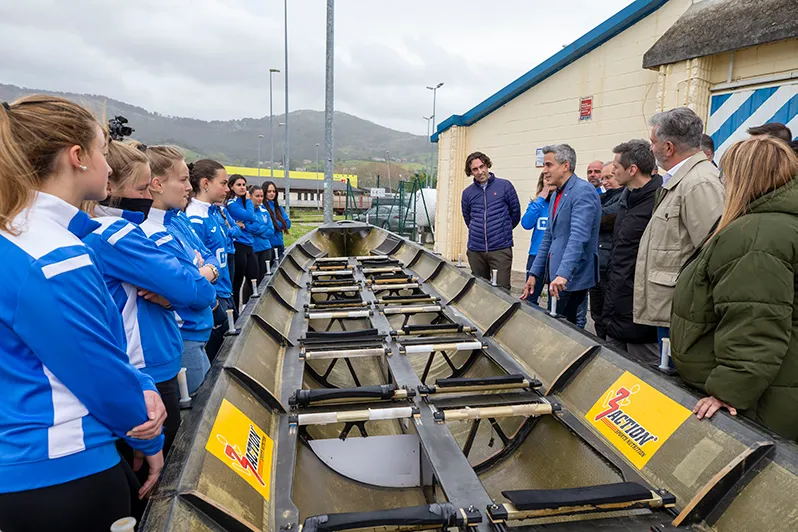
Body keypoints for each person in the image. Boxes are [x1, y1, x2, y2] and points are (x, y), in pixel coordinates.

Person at [0, 95, 165, 531]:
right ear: (77, 158)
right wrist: (148, 432)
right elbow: (98, 368)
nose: (110, 166)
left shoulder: (16, 237)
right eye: (102, 150)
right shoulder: (53, 255)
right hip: (64, 469)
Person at [83, 139, 213, 459]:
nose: (147, 197)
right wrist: (187, 287)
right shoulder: (117, 233)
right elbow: (192, 289)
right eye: (142, 189)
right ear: (110, 183)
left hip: (141, 363)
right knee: (165, 461)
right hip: (146, 366)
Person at [671, 137, 798, 442]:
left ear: (743, 177)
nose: (723, 183)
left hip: (764, 399)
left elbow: (755, 322)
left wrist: (728, 391)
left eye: (725, 175)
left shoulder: (756, 235)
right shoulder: (771, 224)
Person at [634, 107, 725, 348]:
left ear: (668, 147)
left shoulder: (699, 184)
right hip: (673, 308)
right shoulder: (682, 181)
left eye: (653, 142)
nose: (651, 148)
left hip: (683, 312)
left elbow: (715, 254)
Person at [139, 145, 218, 395]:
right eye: (183, 179)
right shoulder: (152, 231)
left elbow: (208, 258)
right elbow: (196, 290)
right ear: (157, 184)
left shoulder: (175, 219)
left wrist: (200, 273)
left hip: (196, 330)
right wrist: (198, 277)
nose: (189, 187)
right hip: (184, 335)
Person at [522, 144, 601, 324]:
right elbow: (549, 237)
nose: (544, 171)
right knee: (555, 324)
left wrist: (564, 274)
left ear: (565, 166)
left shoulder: (582, 191)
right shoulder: (558, 193)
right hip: (556, 275)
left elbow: (578, 237)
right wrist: (535, 273)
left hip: (571, 277)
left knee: (567, 329)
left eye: (549, 165)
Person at [601, 140, 660, 360]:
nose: (613, 170)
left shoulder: (658, 201)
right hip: (617, 310)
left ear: (632, 169)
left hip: (640, 319)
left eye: (616, 166)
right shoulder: (627, 198)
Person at [186, 159, 237, 360]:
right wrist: (212, 300)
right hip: (215, 297)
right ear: (205, 183)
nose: (227, 189)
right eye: (223, 183)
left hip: (225, 291)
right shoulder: (195, 218)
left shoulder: (214, 212)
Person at [460, 152, 521, 290]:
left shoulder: (505, 186)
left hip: (500, 248)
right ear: (471, 172)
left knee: (502, 291)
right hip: (476, 250)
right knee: (479, 290)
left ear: (487, 165)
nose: (480, 171)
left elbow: (515, 214)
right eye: (475, 169)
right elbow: (468, 218)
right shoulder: (467, 193)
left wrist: (501, 231)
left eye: (482, 166)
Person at [590, 162, 623, 338]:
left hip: (610, 265)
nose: (604, 182)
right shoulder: (603, 197)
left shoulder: (625, 197)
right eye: (603, 178)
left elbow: (600, 216)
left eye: (608, 177)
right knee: (597, 315)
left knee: (609, 317)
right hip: (597, 264)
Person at [226, 174, 260, 309]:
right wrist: (249, 202)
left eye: (244, 185)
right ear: (231, 187)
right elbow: (250, 216)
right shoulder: (232, 204)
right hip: (238, 244)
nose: (242, 187)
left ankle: (252, 308)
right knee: (237, 282)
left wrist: (244, 225)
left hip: (249, 244)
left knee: (254, 277)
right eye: (238, 185)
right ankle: (234, 313)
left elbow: (255, 223)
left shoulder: (244, 203)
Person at [520, 172, 553, 305]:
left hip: (555, 256)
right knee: (531, 297)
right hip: (536, 255)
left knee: (555, 299)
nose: (550, 182)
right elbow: (526, 223)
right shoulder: (537, 203)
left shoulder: (562, 203)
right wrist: (541, 197)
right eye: (546, 179)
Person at [249, 185, 276, 284]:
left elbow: (271, 230)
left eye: (261, 196)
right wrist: (263, 228)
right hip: (253, 249)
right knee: (253, 278)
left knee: (265, 277)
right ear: (250, 196)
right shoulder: (247, 212)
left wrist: (259, 230)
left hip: (266, 247)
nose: (260, 199)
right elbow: (249, 229)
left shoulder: (264, 211)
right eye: (257, 196)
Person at [262, 180, 292, 264]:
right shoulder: (262, 208)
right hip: (268, 245)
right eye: (269, 191)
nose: (272, 193)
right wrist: (279, 224)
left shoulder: (278, 207)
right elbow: (266, 226)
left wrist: (274, 224)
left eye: (274, 191)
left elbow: (288, 223)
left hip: (279, 243)